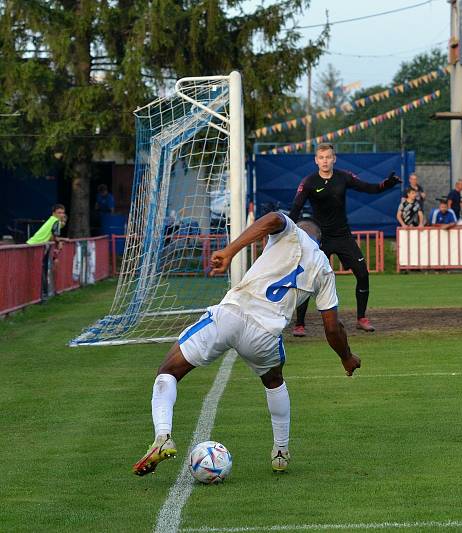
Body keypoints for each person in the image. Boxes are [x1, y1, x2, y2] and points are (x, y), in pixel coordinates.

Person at [132, 213, 361, 476]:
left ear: (300, 228)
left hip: (232, 314)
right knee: (274, 381)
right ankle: (280, 451)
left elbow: (274, 218)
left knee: (168, 371)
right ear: (320, 243)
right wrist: (346, 357)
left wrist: (230, 251)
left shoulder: (291, 232)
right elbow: (333, 328)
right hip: (264, 335)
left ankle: (163, 435)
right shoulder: (324, 269)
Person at [288, 143, 401, 335]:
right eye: (321, 157)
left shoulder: (344, 177)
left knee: (363, 274)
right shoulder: (309, 182)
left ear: (334, 159)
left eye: (328, 157)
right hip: (320, 238)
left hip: (342, 235)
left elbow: (369, 188)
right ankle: (300, 324)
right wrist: (288, 230)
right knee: (307, 278)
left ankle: (361, 318)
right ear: (316, 160)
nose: (325, 161)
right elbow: (296, 208)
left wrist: (386, 184)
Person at [27, 204, 67, 300]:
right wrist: (59, 243)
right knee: (40, 271)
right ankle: (42, 296)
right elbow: (54, 237)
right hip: (36, 247)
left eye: (62, 213)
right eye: (59, 213)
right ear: (54, 213)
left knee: (38, 271)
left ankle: (38, 296)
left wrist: (60, 240)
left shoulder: (51, 220)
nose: (61, 215)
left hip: (32, 244)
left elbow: (51, 236)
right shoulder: (56, 221)